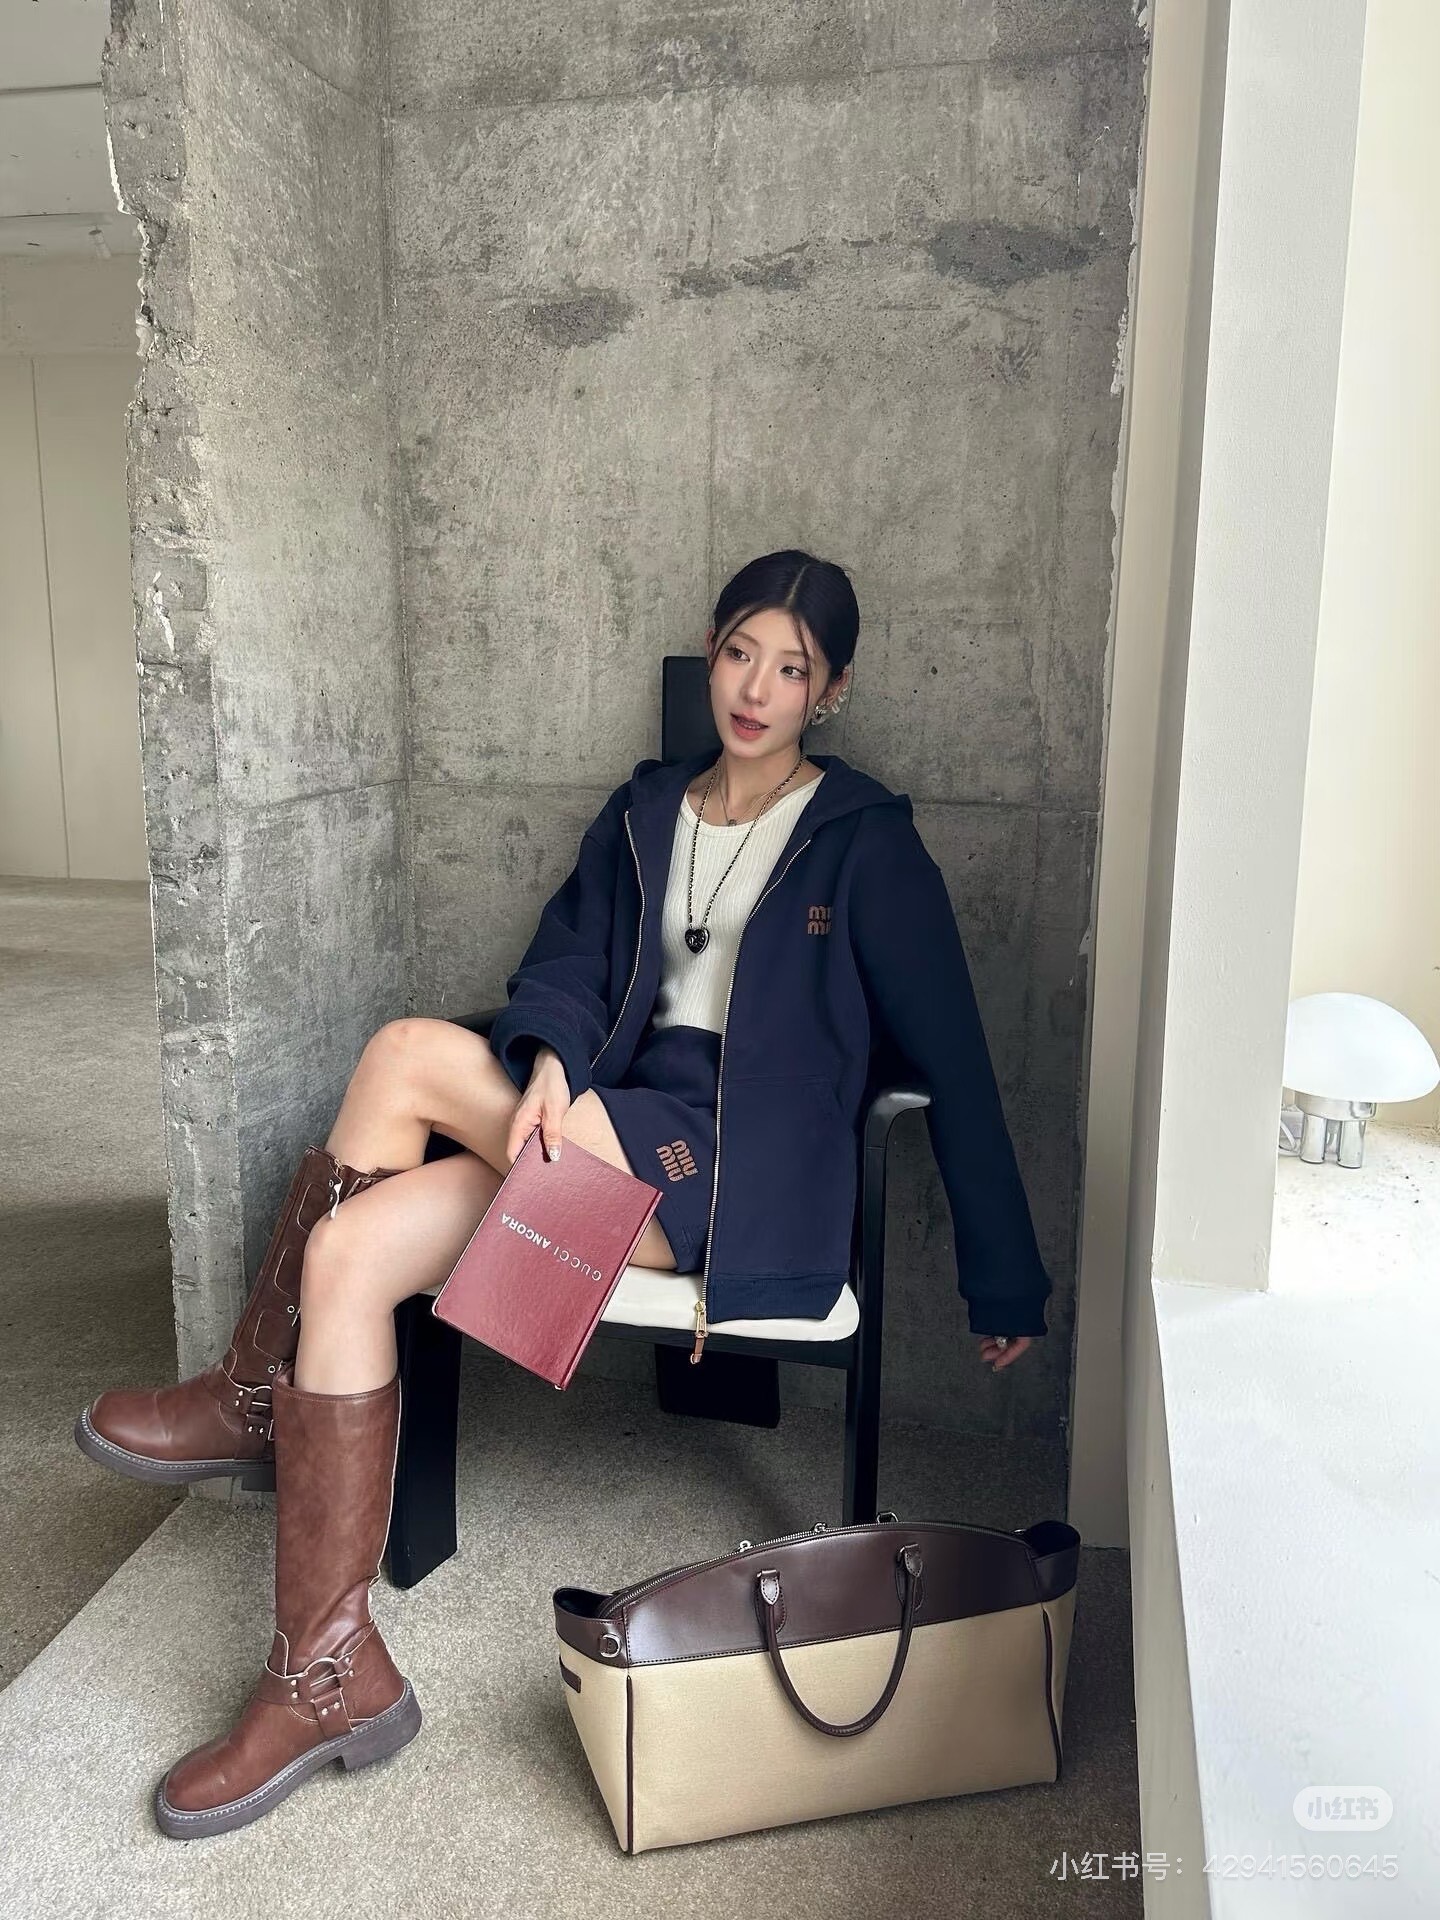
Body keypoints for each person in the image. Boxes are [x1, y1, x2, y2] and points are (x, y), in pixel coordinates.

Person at [73, 548, 1051, 1839]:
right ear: (712, 651)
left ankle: (260, 1396)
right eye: (741, 653)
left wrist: (1003, 1277)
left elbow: (957, 1062)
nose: (757, 689)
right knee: (348, 1254)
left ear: (832, 691)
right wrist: (544, 1062)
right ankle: (324, 1674)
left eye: (793, 668)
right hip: (605, 1122)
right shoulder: (645, 811)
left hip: (739, 1172)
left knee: (408, 1055)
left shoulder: (868, 844)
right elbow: (568, 965)